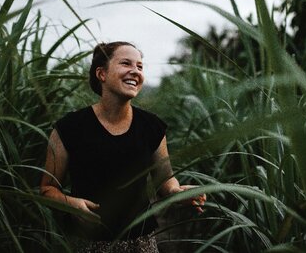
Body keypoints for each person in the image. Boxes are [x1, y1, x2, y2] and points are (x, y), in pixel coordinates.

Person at [40, 41, 206, 252]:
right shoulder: (69, 128)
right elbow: (47, 189)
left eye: (139, 66)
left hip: (141, 243)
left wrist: (177, 192)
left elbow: (164, 180)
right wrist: (70, 203)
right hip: (87, 244)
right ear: (101, 74)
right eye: (126, 63)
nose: (135, 71)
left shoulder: (151, 126)